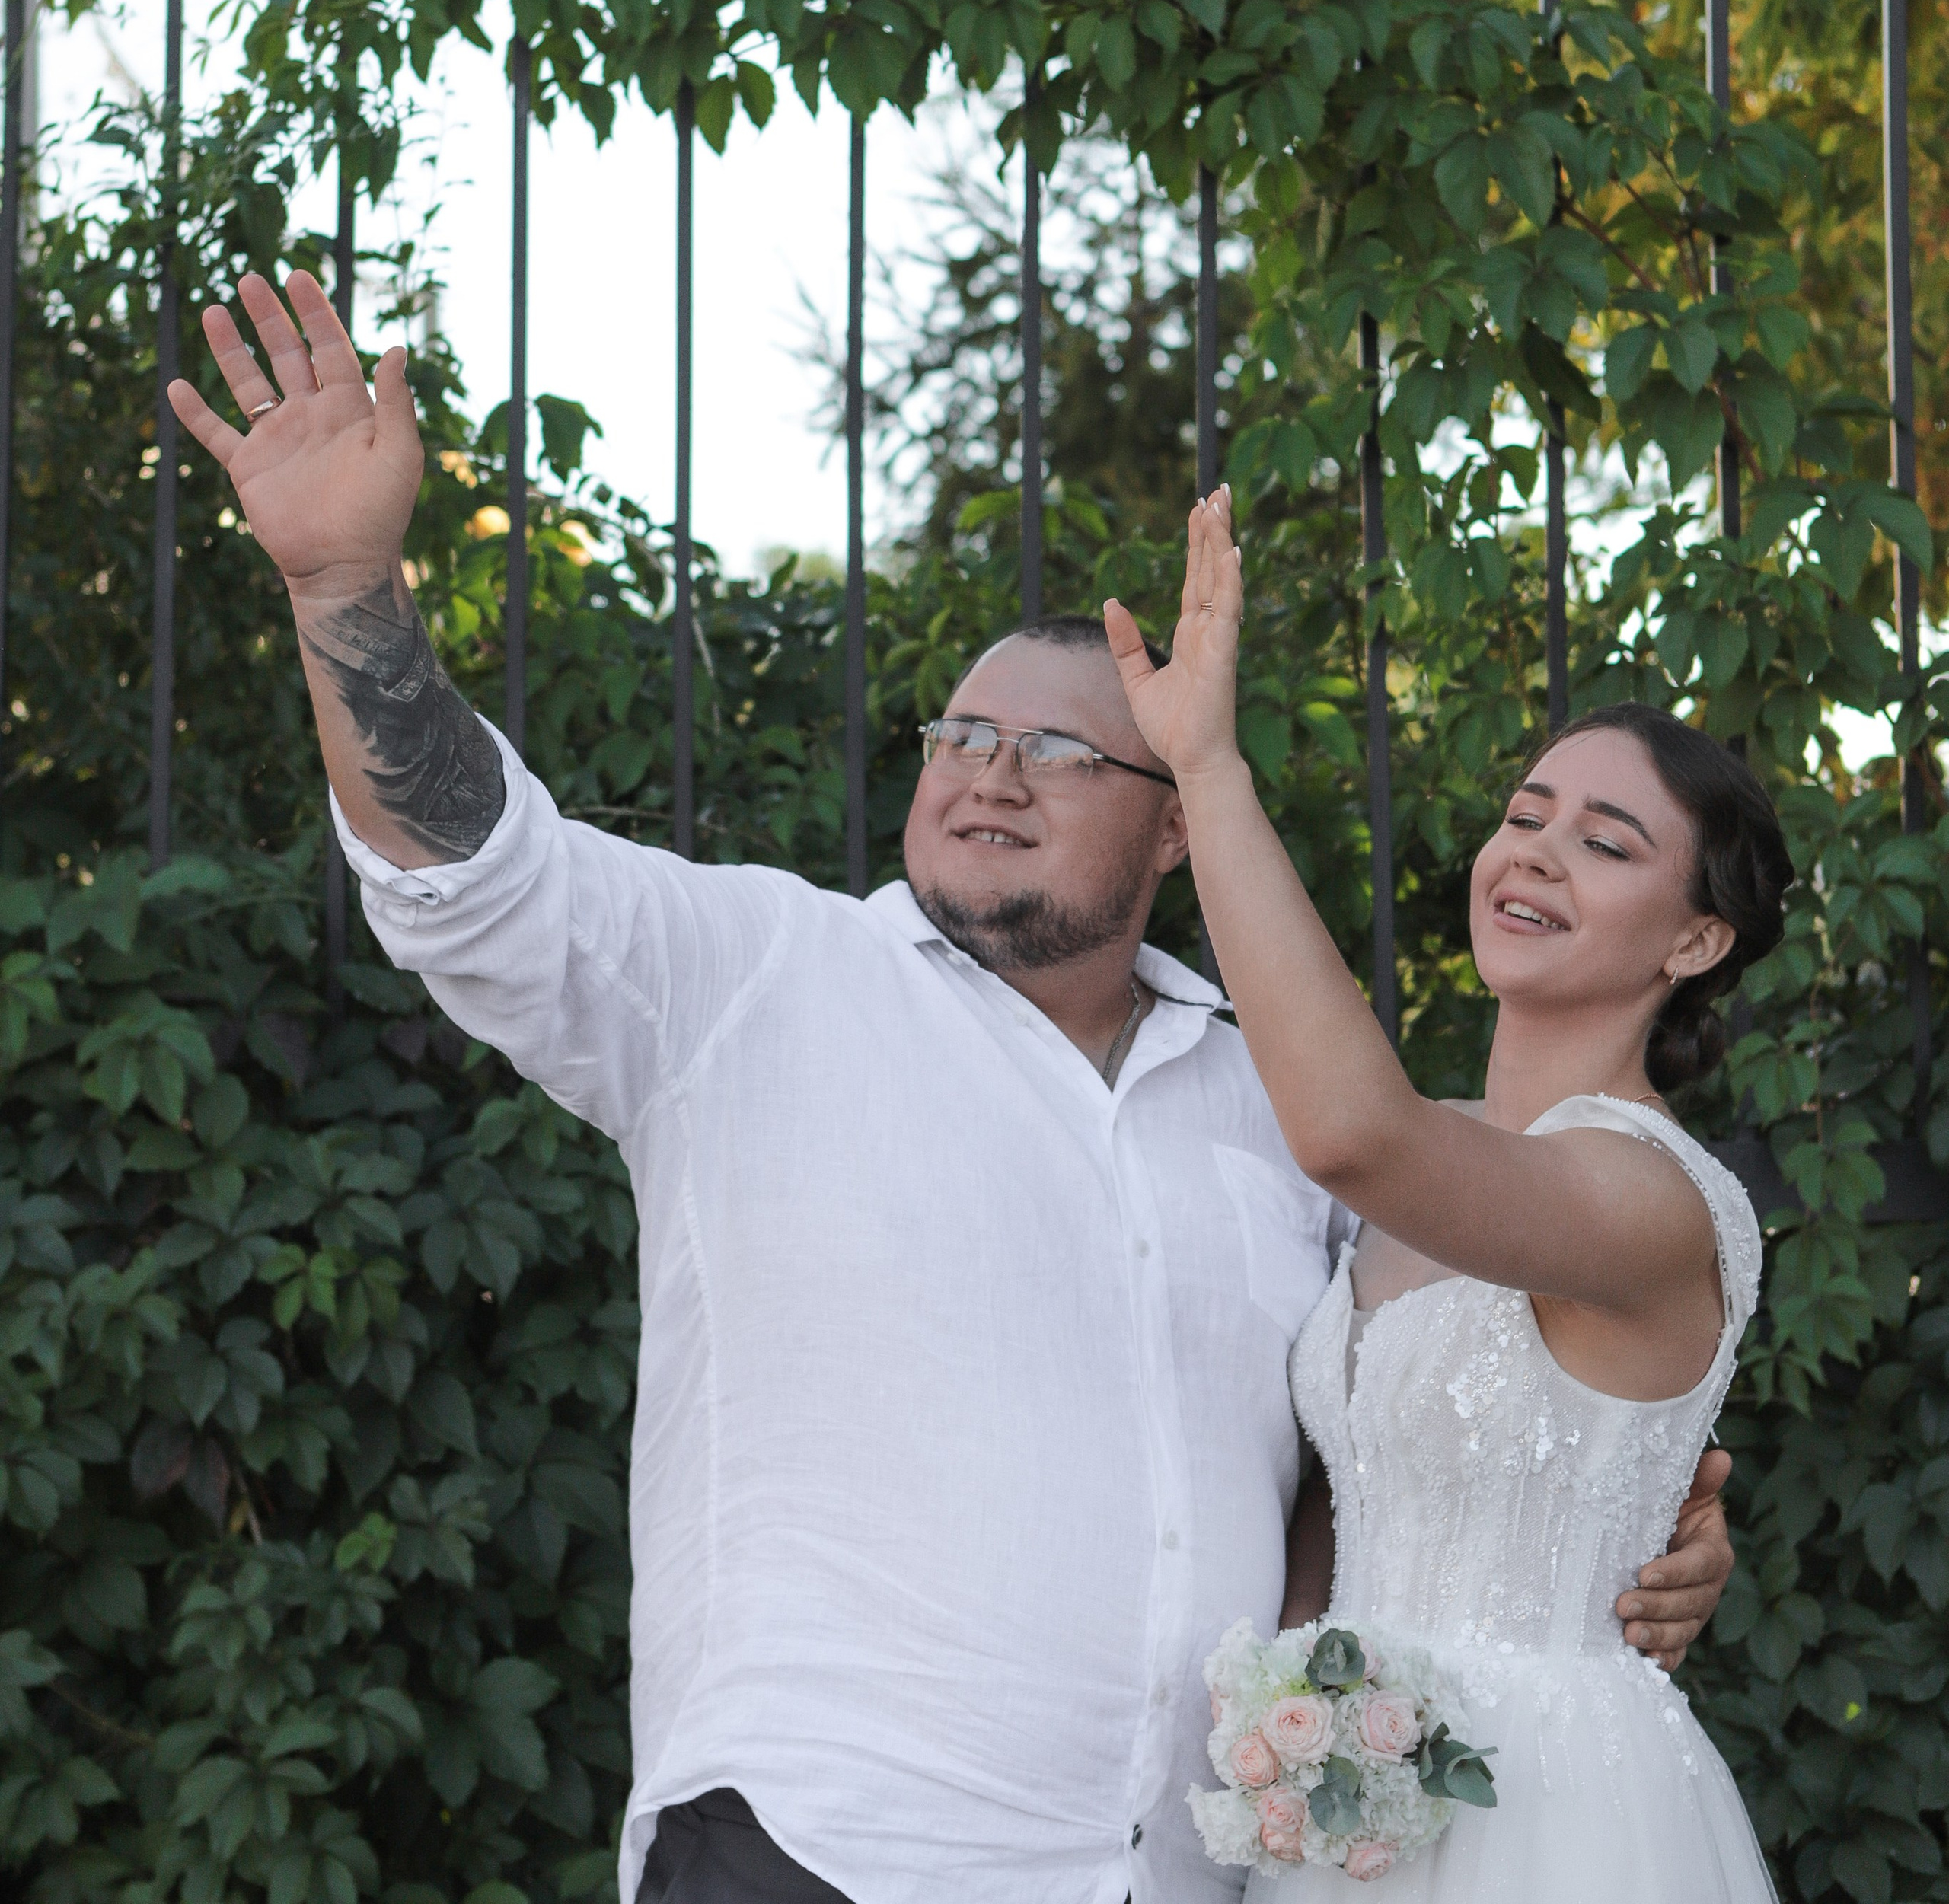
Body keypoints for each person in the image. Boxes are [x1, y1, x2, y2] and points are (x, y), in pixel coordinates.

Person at [167, 272, 1738, 1904]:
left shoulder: (1284, 1109)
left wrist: (1642, 1535)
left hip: (1165, 1878)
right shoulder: (751, 979)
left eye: (1059, 751)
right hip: (823, 1847)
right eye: (957, 732)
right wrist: (349, 585)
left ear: (1174, 823)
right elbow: (474, 881)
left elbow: (1426, 1423)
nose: (987, 768)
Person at [1105, 489, 1780, 1898]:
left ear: (1699, 935)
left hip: (1557, 1822)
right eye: (1527, 814)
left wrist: (1210, 771)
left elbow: (1355, 1131)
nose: (1533, 849)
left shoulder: (1652, 1197)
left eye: (1607, 842)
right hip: (1345, 1819)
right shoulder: (1447, 1160)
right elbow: (1352, 1496)